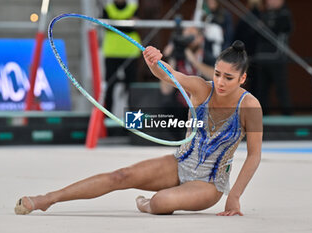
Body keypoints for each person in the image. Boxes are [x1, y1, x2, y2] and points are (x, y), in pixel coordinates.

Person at [15, 40, 263, 216]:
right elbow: (168, 75)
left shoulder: (249, 106)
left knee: (161, 202)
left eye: (228, 78)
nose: (220, 81)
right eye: (217, 74)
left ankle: (146, 203)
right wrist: (154, 61)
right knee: (120, 176)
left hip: (209, 184)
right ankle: (46, 200)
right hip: (180, 162)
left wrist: (235, 196)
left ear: (242, 78)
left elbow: (254, 156)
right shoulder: (201, 88)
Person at [102, 0, 141, 113]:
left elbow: (133, 26)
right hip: (112, 53)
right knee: (109, 87)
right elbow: (106, 26)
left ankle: (133, 122)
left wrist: (115, 24)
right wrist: (127, 22)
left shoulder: (133, 7)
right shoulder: (107, 8)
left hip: (130, 52)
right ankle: (106, 120)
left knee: (132, 88)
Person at [254, 0, 292, 115]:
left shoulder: (284, 14)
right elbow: (256, 34)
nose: (269, 1)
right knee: (261, 90)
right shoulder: (263, 14)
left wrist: (264, 25)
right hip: (261, 58)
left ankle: (288, 117)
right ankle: (262, 116)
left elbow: (281, 28)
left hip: (277, 58)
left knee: (281, 90)